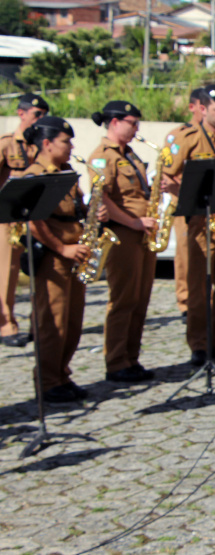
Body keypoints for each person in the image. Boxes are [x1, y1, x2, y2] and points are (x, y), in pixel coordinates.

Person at [161, 84, 215, 366]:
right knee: (199, 286)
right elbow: (165, 179)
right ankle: (199, 344)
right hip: (199, 219)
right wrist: (191, 193)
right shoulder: (184, 137)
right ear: (202, 109)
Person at [24, 116, 107, 403]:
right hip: (54, 257)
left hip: (76, 253)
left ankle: (62, 374)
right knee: (53, 323)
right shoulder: (35, 175)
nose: (71, 146)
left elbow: (74, 209)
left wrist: (93, 215)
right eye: (65, 141)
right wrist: (62, 248)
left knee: (73, 321)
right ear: (46, 144)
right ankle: (47, 382)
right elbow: (34, 221)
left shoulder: (65, 171)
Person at [89, 101, 156, 383]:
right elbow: (101, 198)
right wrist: (134, 222)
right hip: (123, 233)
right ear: (114, 122)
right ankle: (116, 362)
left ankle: (132, 358)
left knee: (140, 299)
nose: (136, 128)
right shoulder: (102, 157)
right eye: (132, 122)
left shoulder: (130, 154)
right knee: (123, 300)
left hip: (142, 233)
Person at [0, 93, 48, 348]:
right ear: (21, 113)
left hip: (35, 218)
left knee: (37, 270)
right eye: (36, 114)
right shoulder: (8, 144)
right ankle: (6, 325)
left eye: (43, 116)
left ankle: (36, 323)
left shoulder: (39, 144)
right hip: (9, 220)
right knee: (6, 273)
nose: (40, 120)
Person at [164, 88, 205, 322]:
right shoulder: (179, 135)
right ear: (193, 108)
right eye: (201, 107)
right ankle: (185, 302)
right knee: (185, 254)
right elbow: (169, 173)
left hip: (207, 203)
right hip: (184, 202)